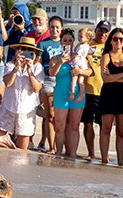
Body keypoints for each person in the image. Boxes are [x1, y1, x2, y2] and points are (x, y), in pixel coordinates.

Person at [0, 36, 45, 149]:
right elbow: (7, 83)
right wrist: (16, 67)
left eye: (29, 51)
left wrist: (30, 71)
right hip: (8, 106)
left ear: (34, 53)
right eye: (23, 49)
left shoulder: (37, 67)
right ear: (18, 51)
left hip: (26, 110)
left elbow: (36, 88)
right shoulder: (10, 65)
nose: (26, 53)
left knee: (22, 148)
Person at [49, 28, 92, 157]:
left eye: (69, 40)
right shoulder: (55, 58)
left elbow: (90, 72)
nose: (67, 43)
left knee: (74, 125)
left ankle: (72, 154)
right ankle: (58, 152)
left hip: (77, 95)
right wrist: (61, 62)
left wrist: (80, 72)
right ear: (61, 42)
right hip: (60, 95)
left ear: (74, 42)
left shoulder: (79, 56)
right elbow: (51, 73)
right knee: (59, 126)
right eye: (64, 41)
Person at [99, 27, 123, 165]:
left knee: (121, 131)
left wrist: (114, 77)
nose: (118, 41)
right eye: (115, 39)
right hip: (108, 95)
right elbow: (105, 79)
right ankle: (104, 159)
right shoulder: (106, 56)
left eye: (121, 39)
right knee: (106, 129)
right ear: (111, 41)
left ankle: (120, 162)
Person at [82, 20, 110, 160]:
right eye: (101, 30)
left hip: (104, 91)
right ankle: (91, 153)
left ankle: (104, 154)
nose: (103, 34)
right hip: (87, 90)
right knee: (88, 124)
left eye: (106, 31)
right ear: (96, 29)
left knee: (104, 126)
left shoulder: (110, 47)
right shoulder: (86, 45)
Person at [36, 14, 63, 152]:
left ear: (61, 28)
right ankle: (51, 147)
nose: (54, 30)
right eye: (52, 27)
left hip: (62, 80)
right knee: (50, 114)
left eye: (57, 27)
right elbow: (38, 64)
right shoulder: (43, 43)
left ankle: (44, 142)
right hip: (47, 79)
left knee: (55, 115)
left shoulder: (65, 44)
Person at [69, 27, 93, 103]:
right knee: (81, 81)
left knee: (74, 77)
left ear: (88, 38)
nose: (79, 38)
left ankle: (72, 92)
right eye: (78, 36)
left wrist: (69, 59)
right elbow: (91, 52)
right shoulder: (88, 46)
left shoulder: (80, 46)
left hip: (77, 62)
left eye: (81, 37)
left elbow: (76, 54)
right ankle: (81, 93)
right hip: (83, 64)